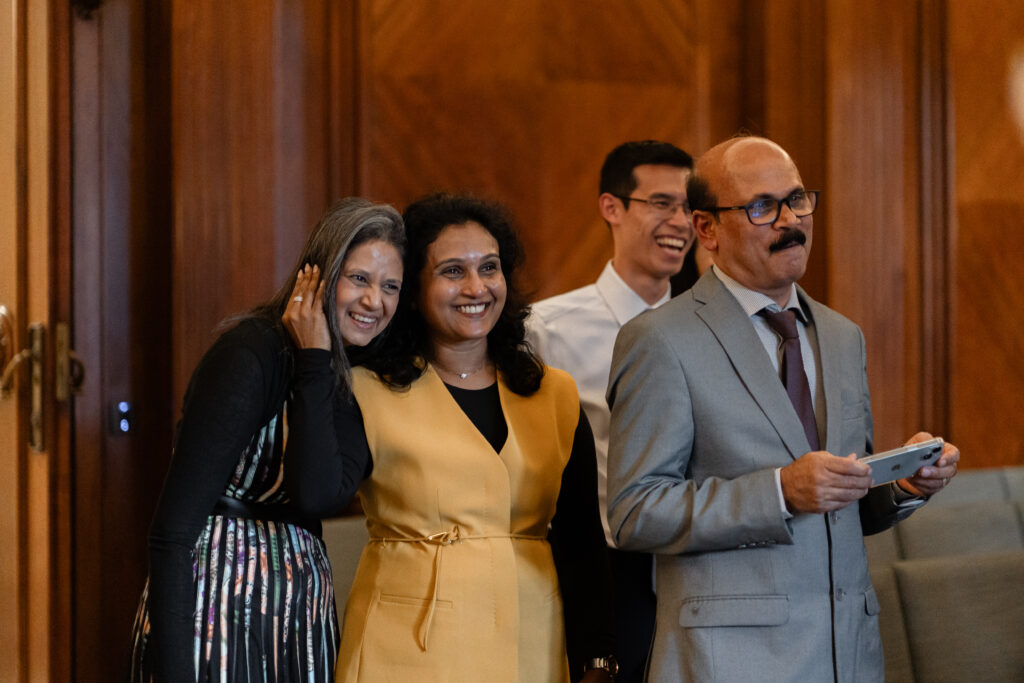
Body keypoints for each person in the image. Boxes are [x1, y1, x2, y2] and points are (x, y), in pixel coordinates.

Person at [605, 135, 961, 682]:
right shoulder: (658, 340)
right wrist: (777, 492)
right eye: (761, 207)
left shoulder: (843, 336)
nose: (790, 221)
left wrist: (905, 484)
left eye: (797, 199)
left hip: (849, 654)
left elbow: (846, 503)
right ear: (706, 229)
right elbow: (635, 512)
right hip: (731, 663)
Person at [290, 193, 615, 682]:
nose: (476, 287)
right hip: (402, 651)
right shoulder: (366, 389)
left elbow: (582, 545)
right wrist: (315, 363)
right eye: (452, 271)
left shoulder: (556, 394)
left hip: (530, 648)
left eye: (489, 268)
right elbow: (314, 493)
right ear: (414, 290)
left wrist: (597, 659)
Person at [128, 198, 405, 683]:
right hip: (212, 613)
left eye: (390, 287)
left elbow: (317, 493)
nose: (373, 301)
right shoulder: (249, 355)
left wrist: (317, 364)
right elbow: (170, 532)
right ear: (318, 275)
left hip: (300, 621)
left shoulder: (362, 378)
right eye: (358, 278)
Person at [526, 140, 693, 682]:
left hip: (693, 567)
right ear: (612, 208)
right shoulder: (547, 330)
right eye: (662, 203)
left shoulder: (708, 330)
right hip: (601, 570)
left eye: (691, 207)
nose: (681, 222)